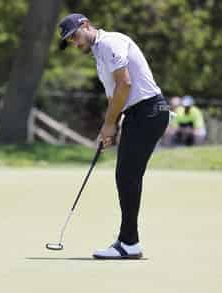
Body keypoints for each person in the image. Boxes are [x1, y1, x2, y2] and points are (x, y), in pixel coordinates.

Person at [58, 13, 169, 259]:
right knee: (126, 176)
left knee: (127, 176)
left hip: (148, 111)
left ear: (85, 25)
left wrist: (110, 124)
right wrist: (110, 127)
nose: (75, 44)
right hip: (138, 114)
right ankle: (129, 241)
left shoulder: (109, 43)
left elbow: (125, 84)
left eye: (75, 37)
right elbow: (115, 96)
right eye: (71, 42)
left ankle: (129, 243)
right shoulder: (99, 55)